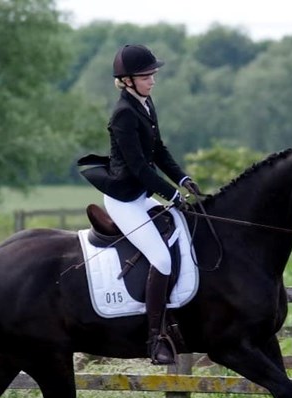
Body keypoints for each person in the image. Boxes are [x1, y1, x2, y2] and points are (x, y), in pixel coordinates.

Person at [78, 43, 200, 365]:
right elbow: (139, 168)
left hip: (142, 195)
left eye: (153, 75)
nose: (153, 81)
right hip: (124, 201)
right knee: (161, 259)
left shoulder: (146, 104)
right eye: (147, 76)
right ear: (128, 80)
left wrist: (183, 180)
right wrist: (171, 195)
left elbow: (158, 151)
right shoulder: (123, 115)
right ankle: (155, 339)